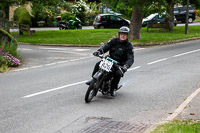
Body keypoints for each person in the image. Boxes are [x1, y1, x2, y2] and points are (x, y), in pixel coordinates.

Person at [86, 26, 134, 97]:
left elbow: (131, 58)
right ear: (119, 34)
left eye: (125, 34)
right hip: (109, 61)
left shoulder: (129, 46)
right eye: (121, 34)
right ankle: (93, 80)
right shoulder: (114, 41)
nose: (123, 36)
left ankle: (113, 88)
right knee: (98, 64)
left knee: (118, 74)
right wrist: (99, 51)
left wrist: (126, 66)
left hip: (119, 64)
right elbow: (106, 47)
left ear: (127, 36)